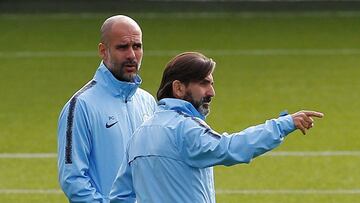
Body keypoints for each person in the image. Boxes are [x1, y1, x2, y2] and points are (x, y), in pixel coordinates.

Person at [110, 52, 324, 202]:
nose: (212, 92)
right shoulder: (185, 129)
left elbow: (120, 196)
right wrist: (284, 124)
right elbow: (230, 148)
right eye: (203, 83)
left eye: (211, 84)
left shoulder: (139, 134)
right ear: (178, 88)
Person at [57, 15, 157, 202]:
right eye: (122, 47)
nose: (132, 55)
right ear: (103, 51)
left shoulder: (148, 102)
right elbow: (73, 179)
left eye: (137, 46)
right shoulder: (80, 106)